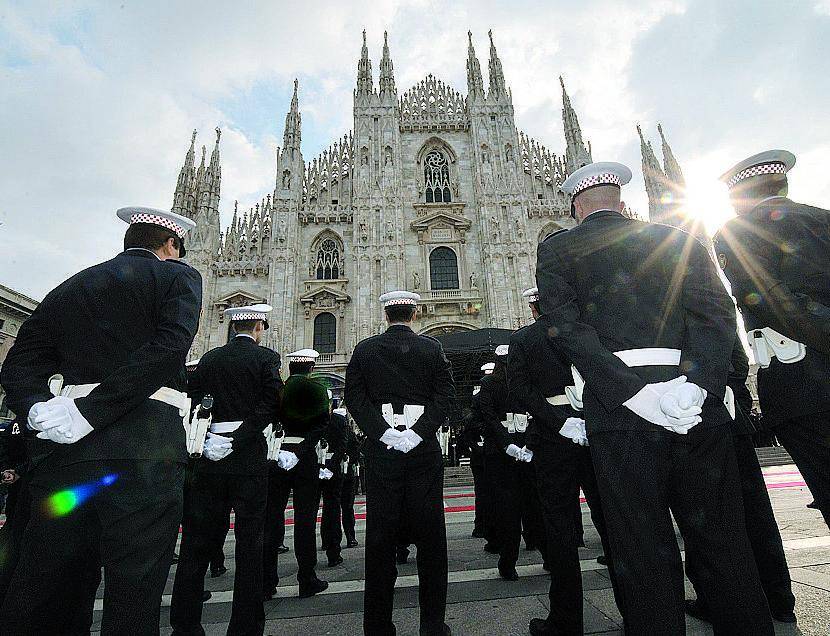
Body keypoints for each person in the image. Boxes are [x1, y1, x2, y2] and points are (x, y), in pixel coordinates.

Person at [535, 162, 772, 635]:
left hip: (621, 417)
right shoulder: (677, 239)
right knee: (723, 539)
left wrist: (632, 393)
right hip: (696, 410)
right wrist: (698, 383)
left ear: (577, 206)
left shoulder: (559, 249)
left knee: (641, 545)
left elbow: (565, 330)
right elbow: (718, 316)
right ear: (621, 200)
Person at [0, 206, 202, 634]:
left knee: (55, 588)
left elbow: (20, 363)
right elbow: (169, 348)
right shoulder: (178, 278)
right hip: (145, 455)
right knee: (134, 592)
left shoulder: (71, 286)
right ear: (170, 245)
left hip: (67, 456)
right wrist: (91, 413)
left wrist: (37, 408)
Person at [714, 149, 830, 530]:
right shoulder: (822, 218)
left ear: (739, 196)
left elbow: (769, 299)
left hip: (802, 384)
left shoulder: (738, 232)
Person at [509, 285, 621, 634]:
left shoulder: (525, 340)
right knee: (614, 524)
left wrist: (559, 421)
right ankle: (637, 609)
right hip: (598, 433)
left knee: (559, 530)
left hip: (553, 439)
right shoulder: (590, 331)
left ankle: (565, 620)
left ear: (533, 309)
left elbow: (520, 392)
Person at [345, 290, 454, 636]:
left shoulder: (365, 350)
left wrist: (383, 433)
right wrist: (419, 433)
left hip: (382, 454)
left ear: (386, 315)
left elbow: (354, 398)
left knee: (380, 539)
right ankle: (432, 625)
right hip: (422, 453)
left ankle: (377, 626)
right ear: (414, 314)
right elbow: (446, 396)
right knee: (432, 539)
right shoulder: (432, 348)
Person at [170, 303, 282, 635]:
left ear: (232, 328)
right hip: (246, 458)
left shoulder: (209, 358)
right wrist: (239, 438)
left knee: (196, 541)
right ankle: (245, 627)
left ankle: (185, 624)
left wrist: (208, 439)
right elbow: (272, 404)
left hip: (210, 457)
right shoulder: (266, 358)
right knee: (250, 545)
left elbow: (192, 402)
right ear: (259, 328)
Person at [685, 335, 795, 624]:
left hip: (697, 421)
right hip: (732, 417)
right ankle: (779, 597)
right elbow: (738, 358)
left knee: (706, 516)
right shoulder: (706, 296)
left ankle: (714, 598)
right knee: (756, 512)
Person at [263, 349, 329, 599]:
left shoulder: (277, 390)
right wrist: (301, 450)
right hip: (304, 458)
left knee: (271, 519)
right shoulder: (317, 390)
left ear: (290, 369)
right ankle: (306, 579)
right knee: (305, 520)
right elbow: (322, 424)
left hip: (276, 456)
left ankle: (267, 582)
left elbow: (267, 420)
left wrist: (279, 449)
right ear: (311, 367)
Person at [478, 345, 544, 581]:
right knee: (534, 504)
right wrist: (529, 445)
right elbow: (538, 414)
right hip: (524, 451)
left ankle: (508, 562)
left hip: (502, 453)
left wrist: (508, 445)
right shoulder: (526, 382)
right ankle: (547, 554)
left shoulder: (489, 385)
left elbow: (487, 417)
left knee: (509, 509)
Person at [320, 399, 348, 567]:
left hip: (315, 466)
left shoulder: (312, 418)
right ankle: (333, 551)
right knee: (332, 508)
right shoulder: (339, 420)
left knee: (308, 513)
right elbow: (342, 444)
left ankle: (325, 545)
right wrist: (331, 465)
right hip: (332, 468)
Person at [340, 417, 361, 548]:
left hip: (336, 472)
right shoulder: (348, 432)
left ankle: (329, 540)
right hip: (346, 473)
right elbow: (357, 449)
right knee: (347, 507)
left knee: (332, 508)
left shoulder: (325, 428)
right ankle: (350, 537)